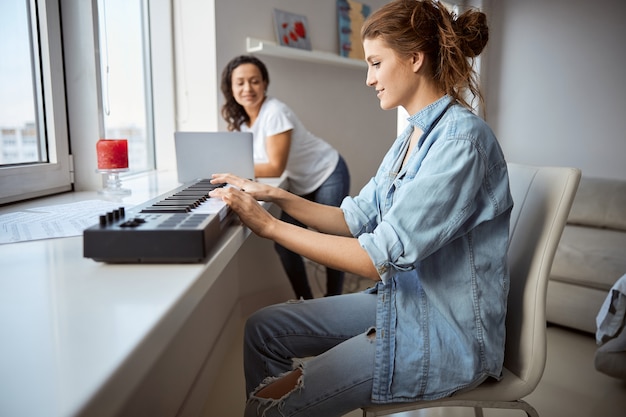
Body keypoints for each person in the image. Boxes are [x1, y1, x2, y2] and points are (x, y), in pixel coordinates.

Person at [209, 0, 513, 415]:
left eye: (375, 63)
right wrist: (274, 195)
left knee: (269, 409)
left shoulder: (461, 142)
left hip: (441, 332)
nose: (368, 79)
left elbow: (375, 259)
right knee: (263, 330)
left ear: (415, 59)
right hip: (404, 301)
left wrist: (270, 227)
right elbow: (353, 218)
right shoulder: (413, 136)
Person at [220, 55, 351, 299]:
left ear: (265, 84)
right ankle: (307, 303)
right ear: (230, 87)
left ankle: (335, 300)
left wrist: (232, 168)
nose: (247, 88)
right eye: (240, 83)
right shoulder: (241, 121)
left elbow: (275, 167)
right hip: (300, 181)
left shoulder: (275, 112)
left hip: (327, 171)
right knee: (284, 245)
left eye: (254, 81)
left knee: (332, 240)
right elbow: (251, 163)